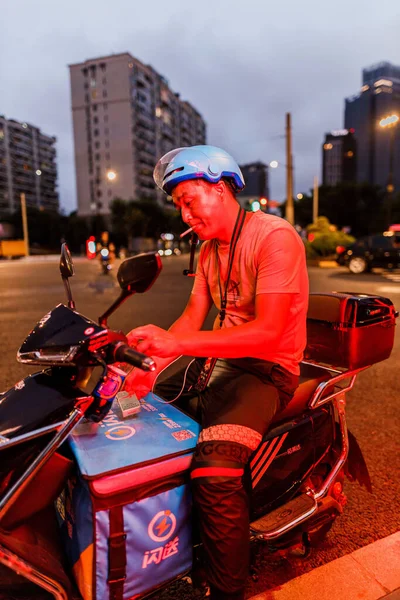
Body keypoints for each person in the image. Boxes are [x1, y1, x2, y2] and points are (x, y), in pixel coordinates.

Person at [125, 145, 309, 600]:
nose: (184, 214)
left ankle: (229, 590)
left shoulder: (275, 237)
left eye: (189, 200)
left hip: (269, 369)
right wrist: (150, 366)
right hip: (223, 361)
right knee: (142, 418)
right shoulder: (209, 251)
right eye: (179, 206)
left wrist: (180, 345)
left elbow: (267, 333)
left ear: (222, 187)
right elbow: (190, 320)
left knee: (215, 468)